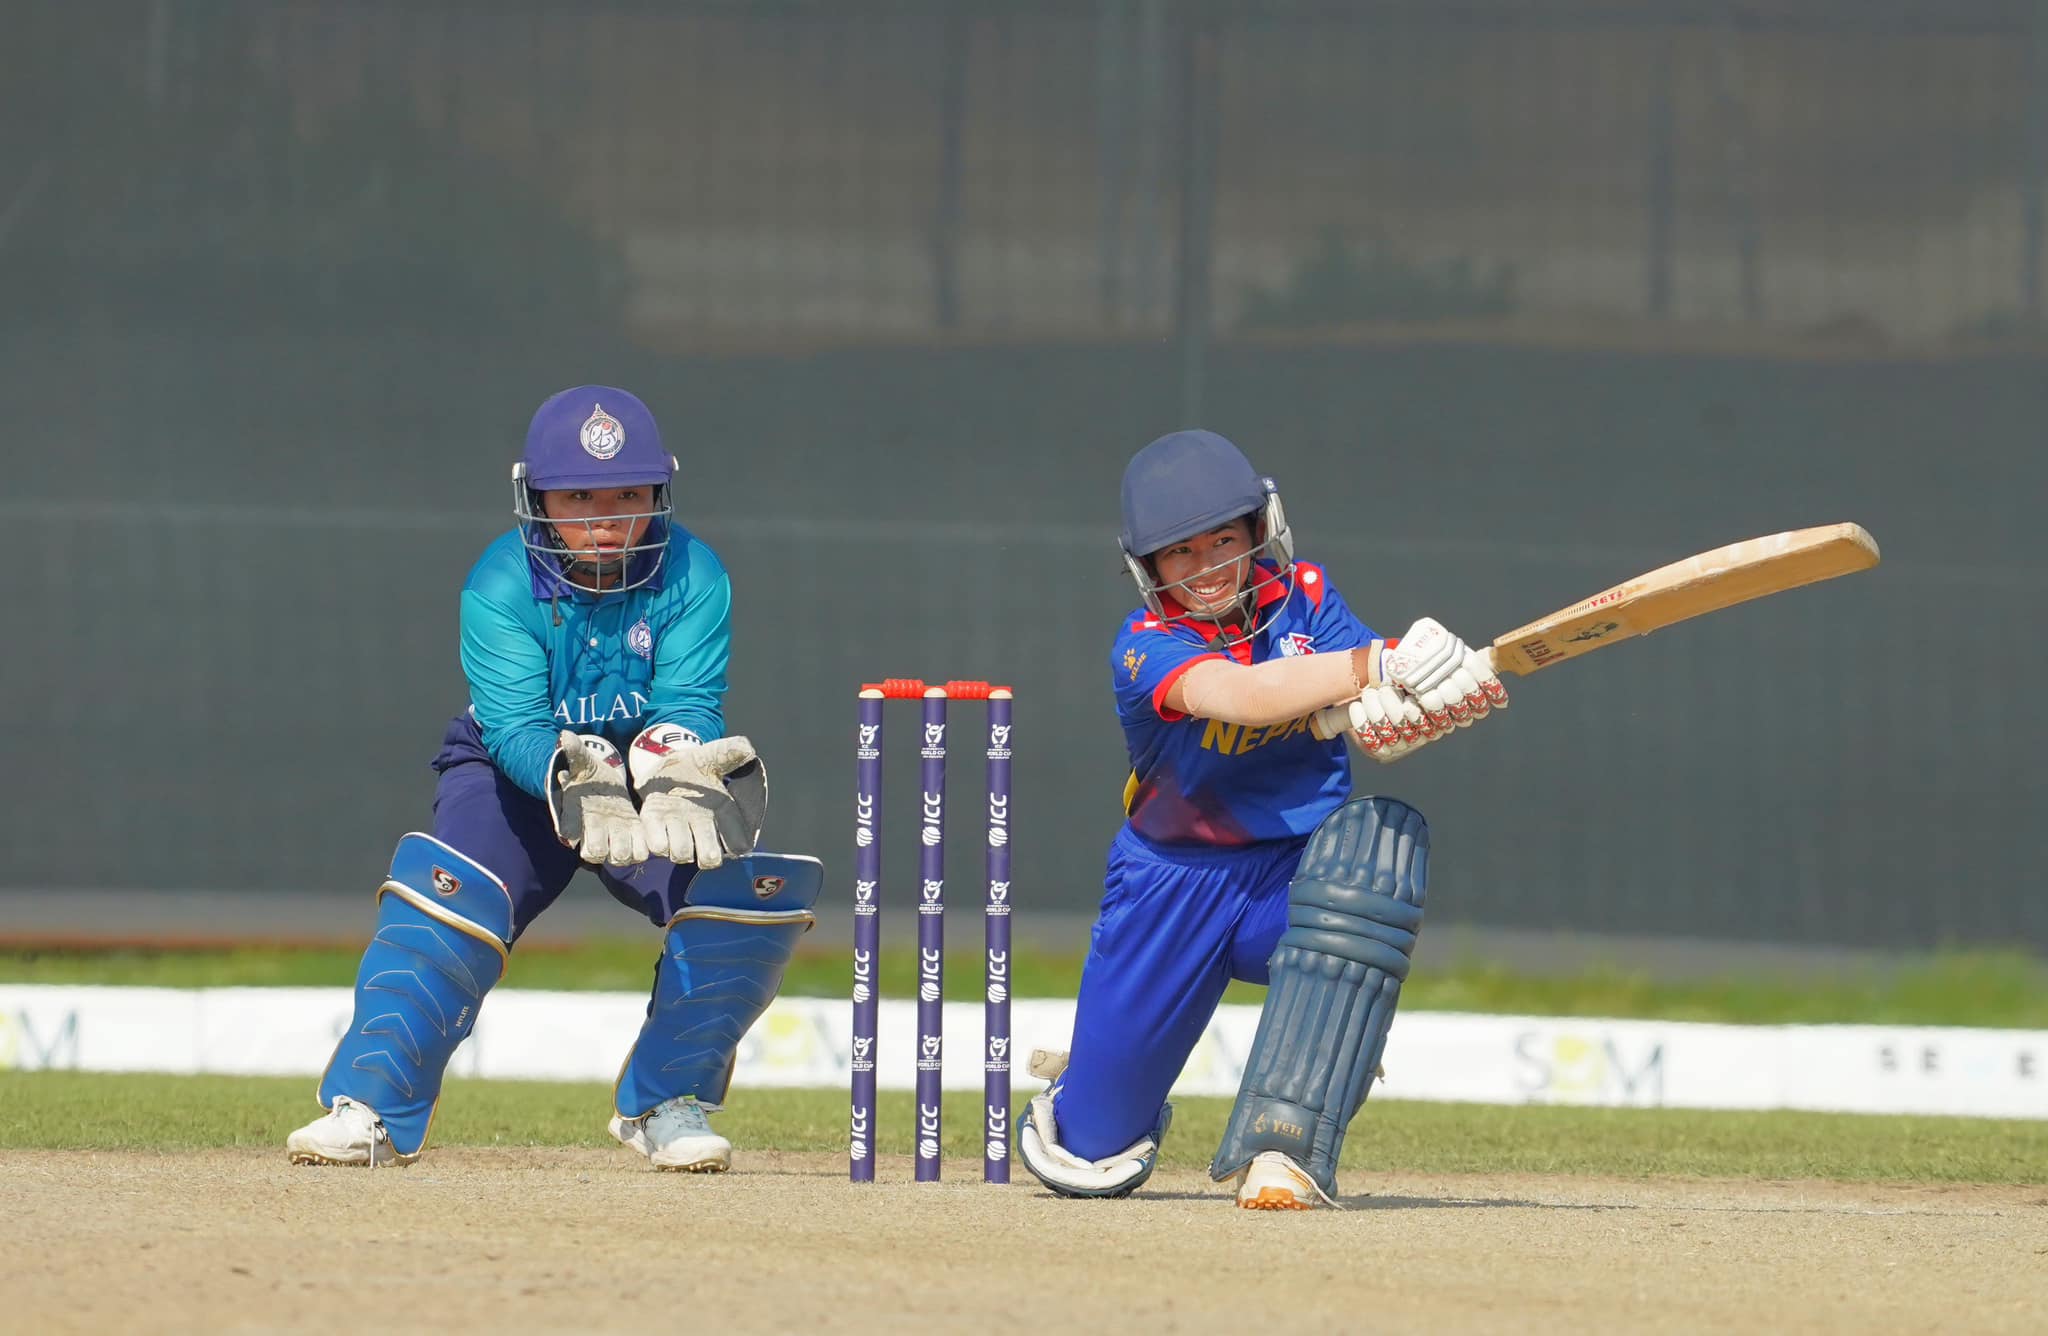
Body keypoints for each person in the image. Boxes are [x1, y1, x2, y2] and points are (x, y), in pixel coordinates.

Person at [286, 386, 820, 1170]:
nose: (605, 520)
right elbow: (512, 725)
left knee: (735, 899)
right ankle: (367, 1107)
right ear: (535, 497)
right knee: (450, 897)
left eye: (627, 496)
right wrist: (571, 774)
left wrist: (675, 769)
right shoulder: (498, 584)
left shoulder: (694, 573)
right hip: (515, 773)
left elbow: (690, 702)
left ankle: (667, 1104)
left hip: (642, 775)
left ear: (658, 492)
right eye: (578, 498)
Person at [1016, 429, 1508, 1209]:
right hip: (1169, 886)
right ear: (1148, 567)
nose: (1207, 567)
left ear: (1259, 530)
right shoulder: (1146, 644)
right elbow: (1242, 697)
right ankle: (1088, 1097)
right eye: (1181, 554)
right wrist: (1380, 664)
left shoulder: (1305, 593)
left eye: (1223, 540)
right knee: (1091, 1160)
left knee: (1370, 871)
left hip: (1291, 871)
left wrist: (1422, 703)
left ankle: (1285, 1145)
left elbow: (1366, 712)